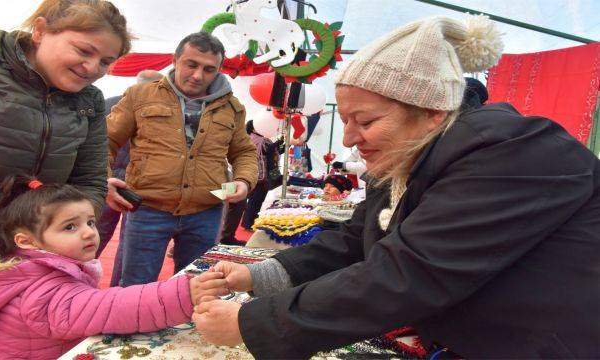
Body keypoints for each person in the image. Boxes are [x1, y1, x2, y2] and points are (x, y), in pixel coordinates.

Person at [192, 15, 600, 359]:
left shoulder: (509, 155)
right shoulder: (410, 159)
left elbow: (411, 271)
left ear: (431, 112)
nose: (349, 139)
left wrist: (254, 322)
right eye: (346, 121)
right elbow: (354, 242)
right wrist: (260, 276)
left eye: (365, 122)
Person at [0, 1, 131, 357]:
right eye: (84, 50)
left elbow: (90, 183)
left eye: (107, 61)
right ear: (40, 30)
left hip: (20, 267)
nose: (93, 68)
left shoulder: (89, 101)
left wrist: (53, 237)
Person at [0, 176, 228, 359]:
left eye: (89, 222)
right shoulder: (43, 289)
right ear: (27, 241)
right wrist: (182, 294)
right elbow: (107, 307)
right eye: (70, 227)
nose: (88, 233)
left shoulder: (25, 268)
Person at [106, 32, 257, 283]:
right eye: (191, 64)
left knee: (195, 288)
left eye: (209, 69)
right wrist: (104, 179)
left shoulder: (233, 107)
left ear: (219, 70)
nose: (198, 75)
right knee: (136, 287)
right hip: (147, 210)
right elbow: (106, 140)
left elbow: (244, 151)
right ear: (175, 60)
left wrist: (243, 180)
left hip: (206, 212)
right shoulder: (139, 96)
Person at [95, 69, 164, 286]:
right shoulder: (157, 111)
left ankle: (74, 280)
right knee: (128, 240)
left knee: (95, 232)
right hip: (133, 178)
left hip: (106, 174)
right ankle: (118, 291)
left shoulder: (108, 103)